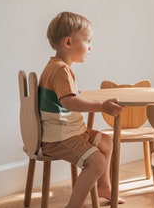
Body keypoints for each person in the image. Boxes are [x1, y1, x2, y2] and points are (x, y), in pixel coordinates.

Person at [38, 11, 124, 207]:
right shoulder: (61, 69)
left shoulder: (55, 66)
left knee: (107, 142)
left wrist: (77, 94)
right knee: (98, 162)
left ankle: (104, 187)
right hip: (61, 137)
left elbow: (64, 97)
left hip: (69, 131)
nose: (90, 47)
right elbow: (69, 102)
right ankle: (73, 205)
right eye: (87, 41)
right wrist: (101, 106)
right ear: (68, 43)